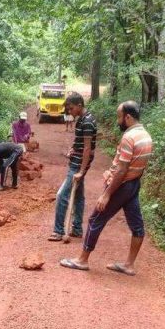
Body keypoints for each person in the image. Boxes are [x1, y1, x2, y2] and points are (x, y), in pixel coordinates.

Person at [59, 101, 153, 276]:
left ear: (128, 117)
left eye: (119, 117)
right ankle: (129, 265)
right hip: (134, 185)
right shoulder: (145, 135)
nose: (118, 121)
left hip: (121, 186)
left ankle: (82, 260)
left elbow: (122, 169)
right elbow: (136, 166)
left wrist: (107, 194)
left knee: (95, 219)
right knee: (137, 225)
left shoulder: (129, 137)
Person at [48, 92, 97, 241]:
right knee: (79, 196)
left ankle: (58, 231)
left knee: (62, 195)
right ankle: (76, 229)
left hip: (78, 165)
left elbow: (88, 148)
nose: (69, 112)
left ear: (79, 105)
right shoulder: (82, 119)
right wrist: (73, 148)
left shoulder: (88, 121)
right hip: (76, 160)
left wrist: (81, 171)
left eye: (71, 108)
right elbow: (80, 142)